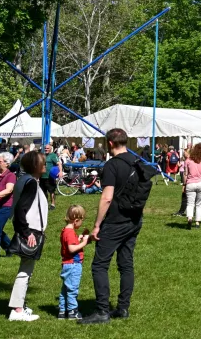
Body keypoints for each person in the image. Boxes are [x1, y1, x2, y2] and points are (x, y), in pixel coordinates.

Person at [79, 128, 146, 325]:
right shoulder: (137, 162)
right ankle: (123, 307)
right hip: (134, 220)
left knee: (100, 265)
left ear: (109, 143)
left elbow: (107, 197)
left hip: (115, 221)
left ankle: (102, 311)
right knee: (126, 264)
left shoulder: (112, 165)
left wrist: (97, 225)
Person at [8, 150, 49, 322]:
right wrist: (26, 232)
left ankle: (20, 306)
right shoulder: (31, 183)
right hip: (30, 230)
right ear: (36, 166)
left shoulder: (24, 180)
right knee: (25, 271)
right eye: (43, 163)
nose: (46, 166)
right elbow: (20, 209)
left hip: (27, 229)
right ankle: (17, 310)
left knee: (26, 270)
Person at [59, 204, 90, 320]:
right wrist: (85, 242)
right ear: (76, 220)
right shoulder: (70, 233)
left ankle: (62, 310)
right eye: (81, 220)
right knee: (72, 289)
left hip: (67, 264)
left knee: (65, 289)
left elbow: (71, 244)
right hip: (73, 264)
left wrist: (80, 238)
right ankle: (72, 311)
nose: (81, 222)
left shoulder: (65, 231)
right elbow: (72, 249)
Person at [183, 143, 201, 230]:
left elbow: (185, 174)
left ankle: (190, 218)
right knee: (199, 204)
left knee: (190, 203)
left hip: (190, 183)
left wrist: (184, 184)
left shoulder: (188, 161)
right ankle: (197, 222)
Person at [43, 143, 60, 211]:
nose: (46, 149)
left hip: (50, 176)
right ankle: (45, 204)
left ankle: (52, 204)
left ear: (50, 149)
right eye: (45, 148)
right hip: (42, 176)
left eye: (47, 148)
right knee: (43, 192)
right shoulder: (43, 155)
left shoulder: (53, 155)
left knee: (51, 191)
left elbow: (59, 164)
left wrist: (60, 171)